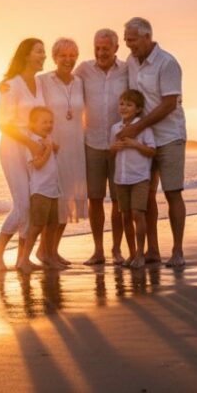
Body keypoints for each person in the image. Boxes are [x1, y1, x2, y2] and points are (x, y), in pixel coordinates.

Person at [119, 17, 187, 268]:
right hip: (143, 138)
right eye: (126, 40)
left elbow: (169, 104)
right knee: (146, 195)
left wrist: (137, 126)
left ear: (147, 37)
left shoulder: (167, 63)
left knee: (172, 193)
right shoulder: (131, 62)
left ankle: (178, 251)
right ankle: (153, 250)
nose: (129, 45)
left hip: (170, 136)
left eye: (132, 40)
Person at [0, 38, 46, 271]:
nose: (44, 56)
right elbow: (3, 123)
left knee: (34, 203)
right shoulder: (11, 85)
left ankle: (23, 258)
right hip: (14, 145)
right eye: (39, 52)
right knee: (22, 204)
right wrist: (29, 144)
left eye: (44, 52)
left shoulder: (40, 83)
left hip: (35, 145)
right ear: (26, 56)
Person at [74, 29, 129, 265]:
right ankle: (98, 251)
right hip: (92, 143)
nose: (101, 52)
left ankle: (116, 250)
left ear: (116, 48)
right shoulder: (84, 70)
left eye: (106, 48)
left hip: (119, 144)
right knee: (95, 199)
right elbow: (61, 82)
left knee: (119, 200)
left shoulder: (127, 70)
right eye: (97, 47)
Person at [39, 38, 87, 265]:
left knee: (66, 201)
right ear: (54, 57)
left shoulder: (80, 82)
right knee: (52, 203)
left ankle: (52, 251)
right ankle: (44, 252)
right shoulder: (43, 81)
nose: (68, 60)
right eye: (63, 55)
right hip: (53, 148)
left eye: (72, 55)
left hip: (75, 148)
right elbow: (28, 99)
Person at [109, 89, 156, 269]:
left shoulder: (144, 127)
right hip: (121, 178)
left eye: (129, 104)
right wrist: (115, 147)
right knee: (125, 216)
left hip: (139, 177)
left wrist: (135, 144)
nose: (124, 107)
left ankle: (140, 254)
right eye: (121, 103)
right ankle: (130, 254)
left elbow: (152, 151)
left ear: (138, 109)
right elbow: (110, 151)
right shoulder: (115, 128)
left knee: (138, 213)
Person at [17, 107, 65, 274]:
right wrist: (49, 149)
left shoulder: (47, 139)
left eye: (51, 122)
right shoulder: (33, 142)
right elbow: (37, 165)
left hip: (53, 189)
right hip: (40, 191)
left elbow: (52, 156)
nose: (48, 125)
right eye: (44, 122)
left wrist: (53, 147)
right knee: (37, 226)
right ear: (33, 124)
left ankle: (49, 256)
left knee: (53, 225)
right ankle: (24, 260)